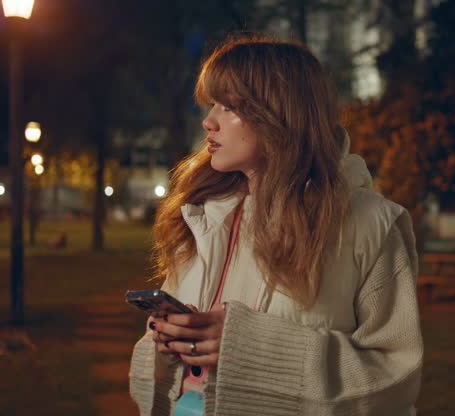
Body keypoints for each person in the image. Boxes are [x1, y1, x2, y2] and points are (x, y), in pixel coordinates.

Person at [129, 35, 423, 415]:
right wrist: (170, 341)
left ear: (278, 114)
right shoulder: (202, 215)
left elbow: (394, 379)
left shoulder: (372, 224)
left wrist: (251, 349)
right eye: (211, 104)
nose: (209, 121)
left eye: (229, 106)